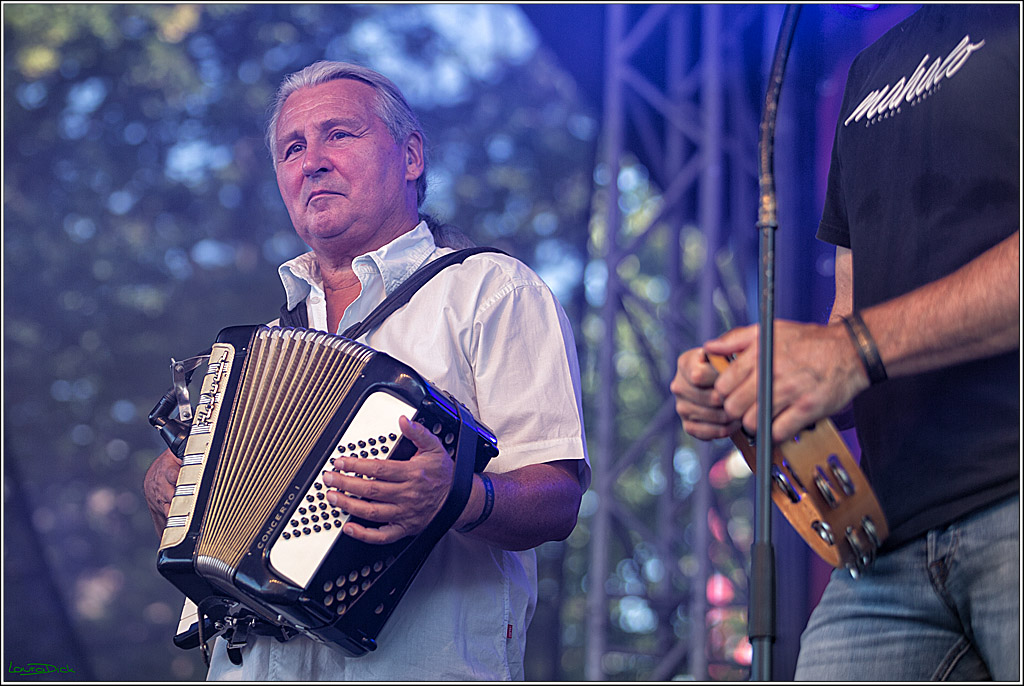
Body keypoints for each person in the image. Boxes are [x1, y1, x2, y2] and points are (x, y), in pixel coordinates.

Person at [143, 60, 590, 680]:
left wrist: (457, 496)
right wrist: (174, 488)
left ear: (411, 157)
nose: (311, 161)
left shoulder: (491, 290)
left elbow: (558, 499)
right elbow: (212, 524)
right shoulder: (261, 351)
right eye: (292, 148)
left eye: (339, 134)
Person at [670, 4, 1018, 681]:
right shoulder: (868, 71)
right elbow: (850, 322)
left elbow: (856, 346)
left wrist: (850, 351)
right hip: (887, 539)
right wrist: (761, 383)